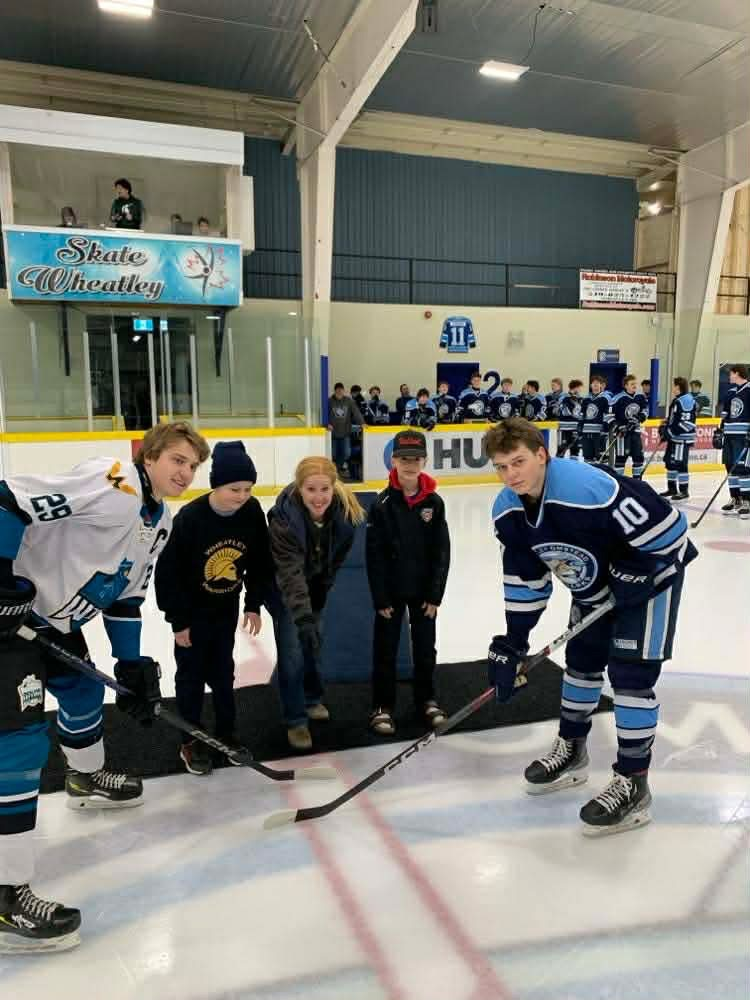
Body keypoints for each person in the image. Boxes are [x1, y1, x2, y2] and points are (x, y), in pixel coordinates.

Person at [0, 421, 210, 952]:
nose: (184, 473)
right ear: (151, 455)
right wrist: (1, 579)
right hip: (10, 622)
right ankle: (4, 898)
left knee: (84, 695)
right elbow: (8, 499)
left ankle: (85, 781)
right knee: (18, 747)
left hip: (52, 623)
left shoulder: (158, 519)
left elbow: (125, 598)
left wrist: (132, 663)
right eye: (177, 460)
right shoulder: (114, 484)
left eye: (192, 466)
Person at [484, 417, 697, 836]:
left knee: (630, 676)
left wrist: (642, 571)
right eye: (502, 466)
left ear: (542, 455)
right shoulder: (507, 511)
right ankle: (573, 750)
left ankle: (633, 782)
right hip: (595, 590)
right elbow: (527, 577)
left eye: (519, 462)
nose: (512, 475)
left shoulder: (587, 487)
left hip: (652, 582)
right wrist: (514, 641)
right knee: (581, 662)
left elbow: (670, 527)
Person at [155, 441, 273, 775]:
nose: (242, 496)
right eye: (234, 488)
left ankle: (227, 735)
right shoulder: (190, 519)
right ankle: (190, 740)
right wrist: (178, 621)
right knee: (190, 680)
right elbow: (167, 575)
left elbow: (260, 561)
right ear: (217, 484)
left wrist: (253, 604)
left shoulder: (251, 513)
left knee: (224, 676)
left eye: (248, 489)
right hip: (191, 616)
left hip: (225, 612)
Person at [267, 458, 366, 750]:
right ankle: (296, 720)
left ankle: (312, 699)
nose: (319, 496)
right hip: (286, 590)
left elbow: (334, 562)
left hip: (316, 587)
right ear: (299, 488)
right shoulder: (283, 519)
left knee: (313, 647)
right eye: (311, 489)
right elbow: (289, 572)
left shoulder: (346, 518)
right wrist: (302, 615)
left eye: (325, 489)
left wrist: (321, 593)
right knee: (292, 653)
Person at [366, 430, 450, 737]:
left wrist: (435, 594)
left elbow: (442, 551)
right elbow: (373, 555)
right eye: (403, 458)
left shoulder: (435, 503)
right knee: (385, 650)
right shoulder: (382, 504)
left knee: (426, 648)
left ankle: (426, 700)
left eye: (415, 459)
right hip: (390, 593)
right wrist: (380, 597)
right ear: (393, 460)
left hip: (424, 593)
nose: (410, 464)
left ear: (425, 461)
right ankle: (382, 706)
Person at [658, 377, 698, 502]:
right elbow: (674, 418)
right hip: (674, 438)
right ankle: (672, 489)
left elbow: (687, 423)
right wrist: (665, 425)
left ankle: (684, 491)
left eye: (673, 386)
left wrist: (669, 432)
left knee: (680, 464)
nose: (672, 388)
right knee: (670, 463)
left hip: (681, 439)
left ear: (678, 387)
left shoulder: (685, 400)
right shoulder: (678, 400)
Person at [718, 364, 750, 518]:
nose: (729, 376)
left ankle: (747, 501)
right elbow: (726, 414)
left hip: (742, 436)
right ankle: (736, 498)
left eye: (730, 373)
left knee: (742, 468)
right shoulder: (730, 392)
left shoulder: (749, 390)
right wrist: (720, 429)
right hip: (729, 435)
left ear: (737, 373)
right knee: (729, 465)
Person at [610, 374, 648, 479]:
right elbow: (609, 415)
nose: (634, 386)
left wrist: (639, 417)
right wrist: (617, 426)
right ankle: (619, 481)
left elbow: (645, 411)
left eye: (635, 384)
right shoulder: (618, 398)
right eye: (632, 384)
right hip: (622, 434)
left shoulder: (640, 397)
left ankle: (637, 481)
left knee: (638, 457)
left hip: (635, 432)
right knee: (621, 458)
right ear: (626, 386)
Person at [327, 382, 363, 478]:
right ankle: (335, 471)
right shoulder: (329, 401)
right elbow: (323, 414)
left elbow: (356, 413)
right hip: (332, 434)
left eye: (341, 390)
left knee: (347, 453)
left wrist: (362, 423)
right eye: (337, 390)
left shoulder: (349, 401)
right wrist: (326, 424)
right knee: (333, 454)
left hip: (345, 433)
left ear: (343, 391)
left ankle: (338, 469)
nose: (339, 392)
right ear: (334, 391)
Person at [579, 375, 611, 463]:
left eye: (598, 383)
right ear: (590, 385)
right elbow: (582, 415)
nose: (595, 385)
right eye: (593, 383)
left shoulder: (606, 398)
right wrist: (580, 426)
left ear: (601, 385)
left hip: (599, 433)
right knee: (587, 457)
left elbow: (608, 414)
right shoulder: (586, 399)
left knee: (600, 458)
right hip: (586, 432)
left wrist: (605, 429)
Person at [556, 379, 584, 459]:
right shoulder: (564, 397)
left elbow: (581, 411)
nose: (580, 390)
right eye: (579, 388)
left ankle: (574, 464)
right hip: (565, 426)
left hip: (575, 426)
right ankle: (559, 461)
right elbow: (565, 411)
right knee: (564, 445)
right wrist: (577, 415)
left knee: (575, 448)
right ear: (575, 387)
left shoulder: (579, 398)